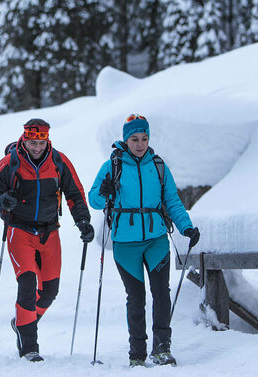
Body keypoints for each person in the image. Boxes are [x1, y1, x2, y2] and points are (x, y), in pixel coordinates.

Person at [88, 114, 200, 367]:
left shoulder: (158, 166)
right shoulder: (112, 166)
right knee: (135, 297)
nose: (140, 144)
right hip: (125, 244)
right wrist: (103, 193)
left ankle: (162, 348)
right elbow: (94, 199)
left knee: (161, 292)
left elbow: (172, 200)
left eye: (144, 138)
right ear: (126, 140)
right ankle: (137, 353)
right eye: (135, 139)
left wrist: (186, 227)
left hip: (156, 240)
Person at [0, 119, 93, 362]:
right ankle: (29, 346)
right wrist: (2, 202)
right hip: (20, 231)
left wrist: (83, 221)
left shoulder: (58, 161)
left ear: (47, 139)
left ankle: (22, 323)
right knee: (28, 284)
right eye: (33, 142)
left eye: (41, 142)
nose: (37, 147)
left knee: (50, 290)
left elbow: (74, 194)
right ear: (25, 138)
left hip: (50, 232)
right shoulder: (10, 163)